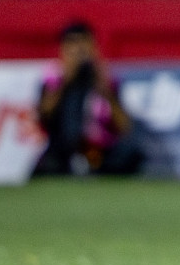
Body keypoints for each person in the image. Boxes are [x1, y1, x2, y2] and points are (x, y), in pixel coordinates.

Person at [32, 22, 144, 177]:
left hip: (98, 151)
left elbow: (124, 126)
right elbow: (43, 116)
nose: (78, 50)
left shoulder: (104, 79)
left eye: (83, 43)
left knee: (129, 155)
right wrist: (66, 79)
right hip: (64, 150)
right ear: (62, 49)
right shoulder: (53, 78)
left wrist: (105, 90)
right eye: (72, 43)